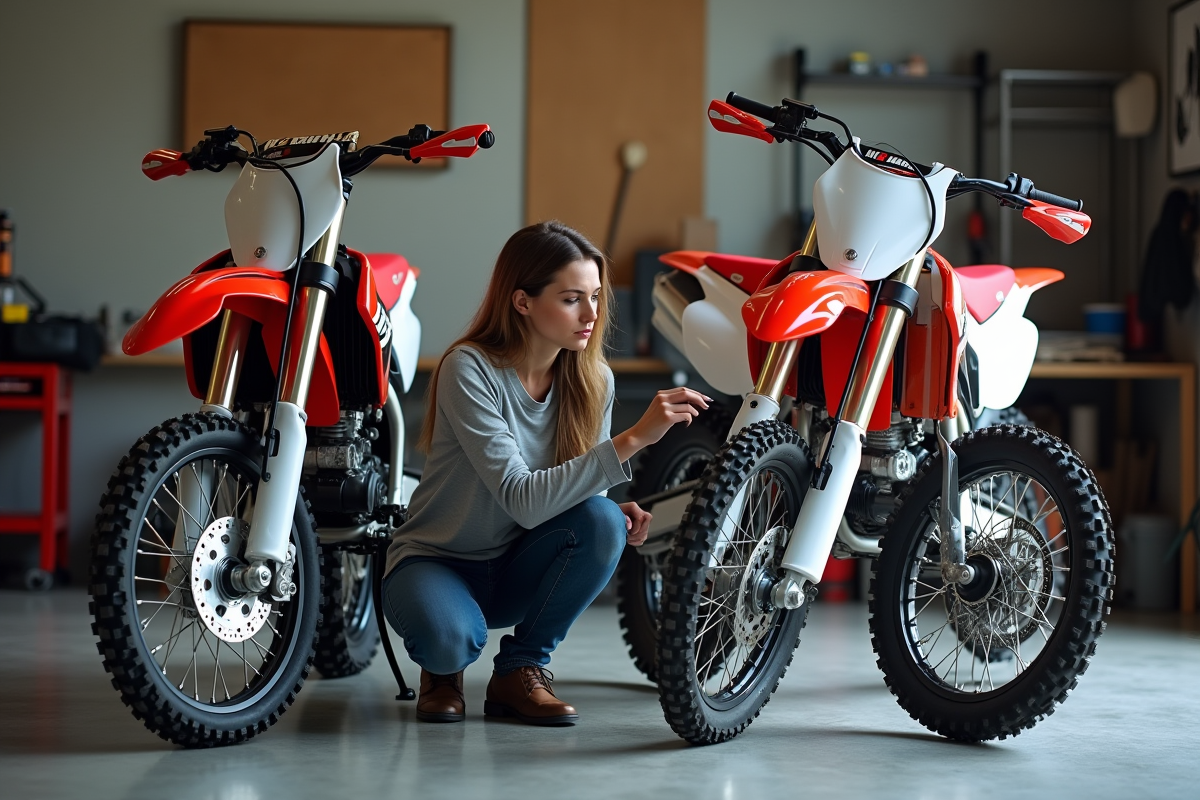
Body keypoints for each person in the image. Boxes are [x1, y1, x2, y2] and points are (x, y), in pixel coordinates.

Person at [382, 220, 709, 726]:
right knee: (450, 642)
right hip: (438, 560)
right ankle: (442, 671)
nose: (591, 314)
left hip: (517, 562)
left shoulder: (593, 378)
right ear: (523, 302)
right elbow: (522, 497)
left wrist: (605, 509)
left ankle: (520, 669)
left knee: (601, 521)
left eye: (596, 297)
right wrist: (636, 437)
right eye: (572, 298)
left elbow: (580, 489)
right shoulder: (469, 369)